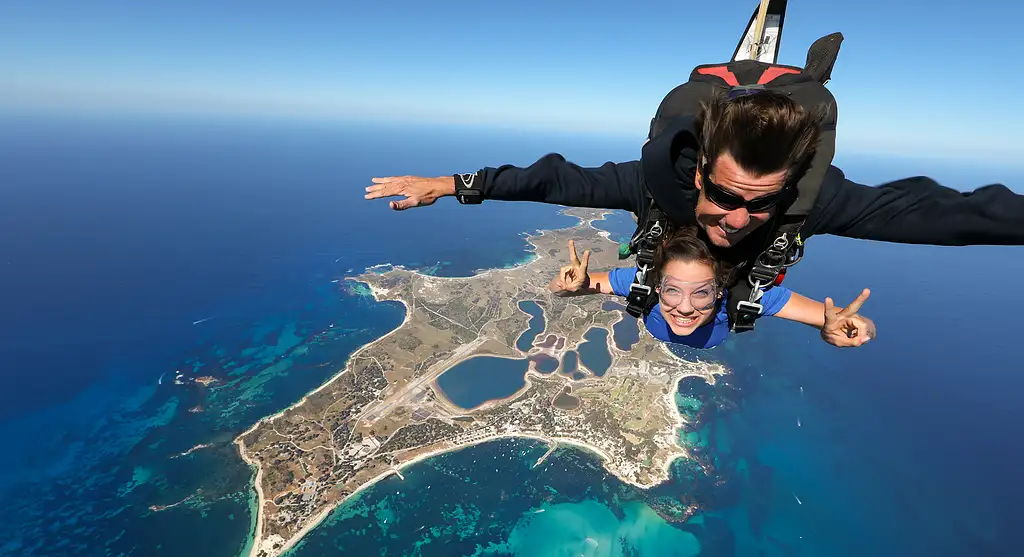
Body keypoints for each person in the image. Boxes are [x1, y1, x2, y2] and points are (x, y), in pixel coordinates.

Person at [365, 90, 1024, 331]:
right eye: (726, 196)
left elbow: (953, 216)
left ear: (787, 188)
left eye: (759, 204)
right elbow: (556, 180)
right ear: (698, 174)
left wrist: (584, 285)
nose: (738, 219)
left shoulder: (809, 204)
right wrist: (451, 183)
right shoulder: (653, 188)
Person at [549, 235, 874, 350]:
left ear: (720, 292)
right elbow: (563, 290)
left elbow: (858, 324)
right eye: (672, 291)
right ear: (658, 287)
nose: (685, 308)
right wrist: (566, 286)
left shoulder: (747, 297)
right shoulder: (642, 282)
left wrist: (853, 329)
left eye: (702, 293)